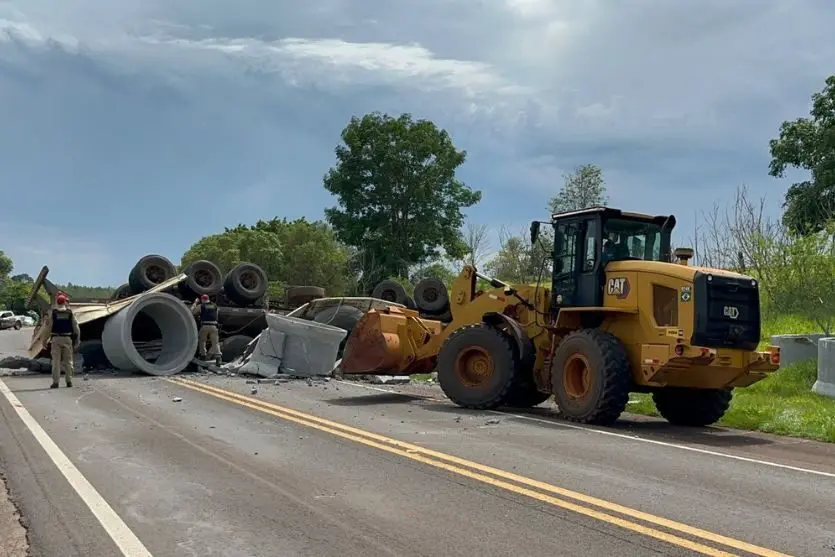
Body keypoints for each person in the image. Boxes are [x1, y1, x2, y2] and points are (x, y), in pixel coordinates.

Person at [48, 293, 80, 388]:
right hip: (67, 339)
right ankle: (69, 381)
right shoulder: (70, 313)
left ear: (57, 302)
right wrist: (77, 339)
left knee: (56, 362)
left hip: (55, 339)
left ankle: (55, 382)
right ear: (65, 302)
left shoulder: (53, 313)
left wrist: (44, 340)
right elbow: (76, 327)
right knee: (68, 361)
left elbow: (48, 327)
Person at [191, 294, 221, 364]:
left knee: (202, 341)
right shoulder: (215, 306)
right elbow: (216, 315)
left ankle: (203, 355)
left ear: (202, 300)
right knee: (215, 343)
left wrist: (195, 303)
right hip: (214, 326)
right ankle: (218, 358)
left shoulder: (201, 306)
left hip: (205, 326)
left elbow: (192, 312)